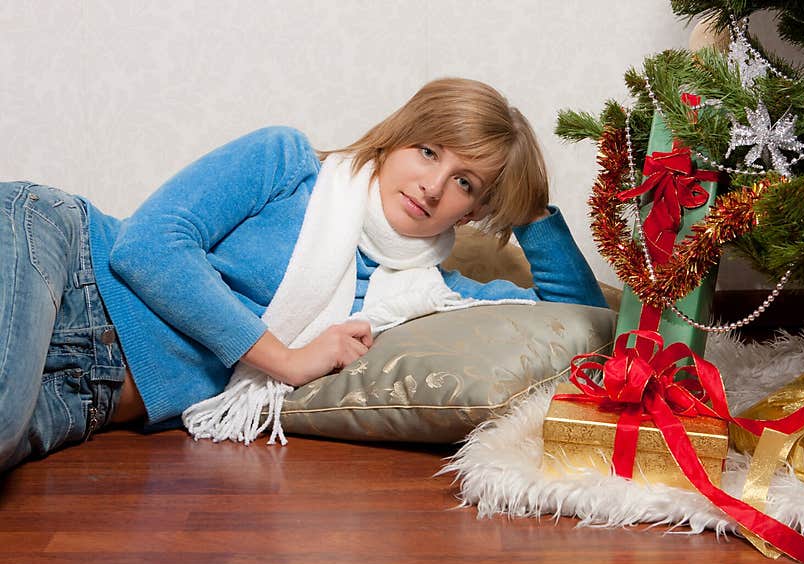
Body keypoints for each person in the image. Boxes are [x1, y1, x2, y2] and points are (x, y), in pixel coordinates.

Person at [0, 77, 607, 473]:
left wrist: (529, 208)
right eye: (428, 151)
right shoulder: (286, 161)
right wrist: (285, 359)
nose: (433, 184)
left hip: (94, 396)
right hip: (61, 260)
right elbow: (149, 247)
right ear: (396, 140)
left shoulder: (427, 293)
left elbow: (581, 317)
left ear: (474, 210)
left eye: (465, 182)